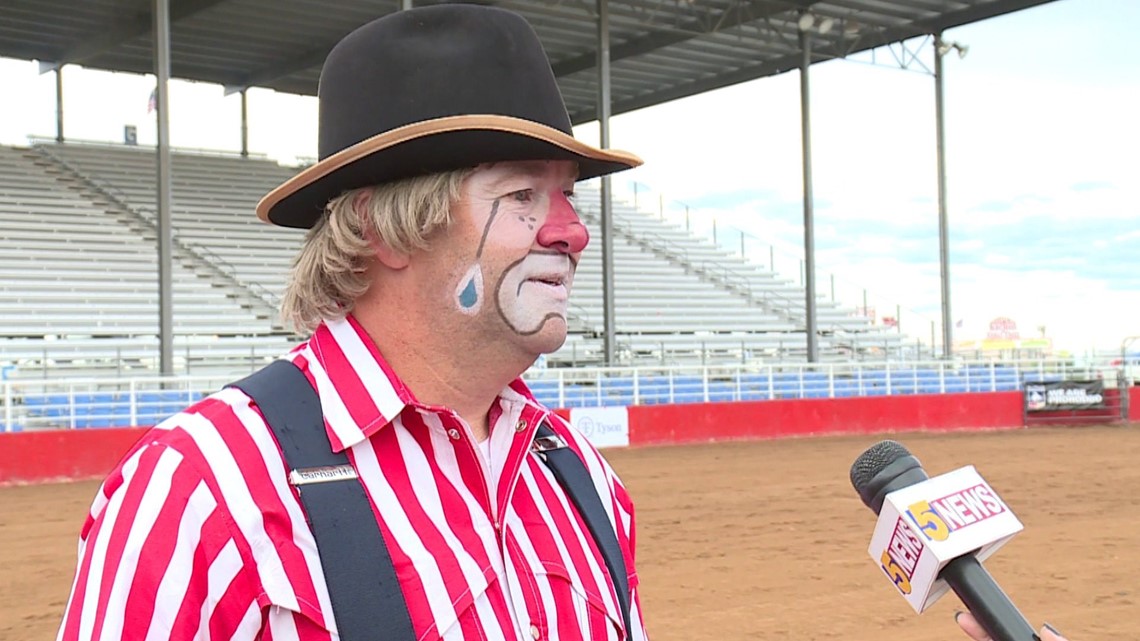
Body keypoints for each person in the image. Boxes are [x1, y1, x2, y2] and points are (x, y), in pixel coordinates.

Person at [53, 5, 1073, 641]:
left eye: (570, 197)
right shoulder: (201, 493)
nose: (573, 233)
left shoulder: (576, 474)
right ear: (382, 226)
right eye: (524, 196)